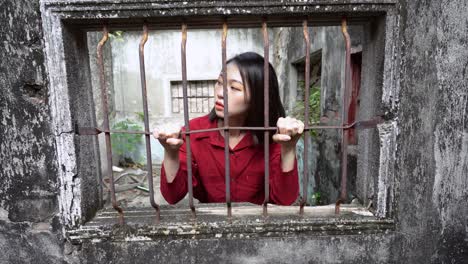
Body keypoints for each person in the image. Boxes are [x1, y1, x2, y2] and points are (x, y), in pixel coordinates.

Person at [153, 52, 304, 205]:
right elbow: (173, 196)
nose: (220, 93)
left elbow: (284, 199)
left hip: (258, 221)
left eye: (234, 87)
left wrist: (288, 149)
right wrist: (171, 153)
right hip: (211, 220)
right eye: (219, 82)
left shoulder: (273, 135)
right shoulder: (194, 131)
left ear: (258, 96)